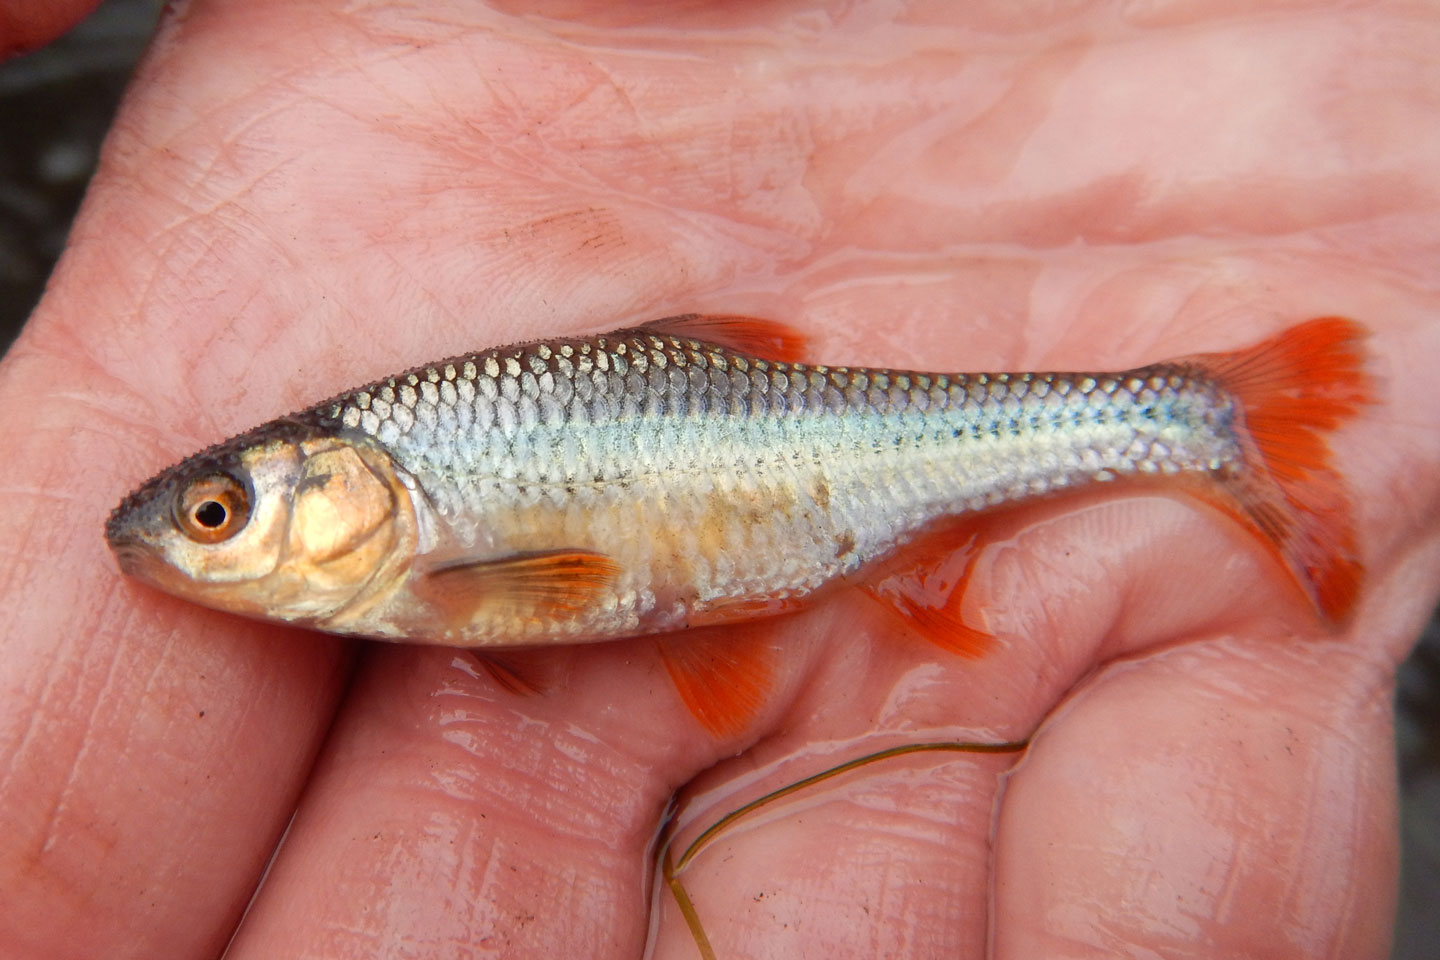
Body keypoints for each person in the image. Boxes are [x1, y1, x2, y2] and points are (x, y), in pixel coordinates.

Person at [0, 1, 1430, 957]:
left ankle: (1197, 421)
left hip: (795, 490)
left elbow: (549, 595)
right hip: (766, 505)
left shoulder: (427, 544)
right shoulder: (428, 538)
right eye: (213, 513)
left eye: (217, 514)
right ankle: (1199, 422)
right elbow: (550, 594)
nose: (197, 537)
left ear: (338, 486)